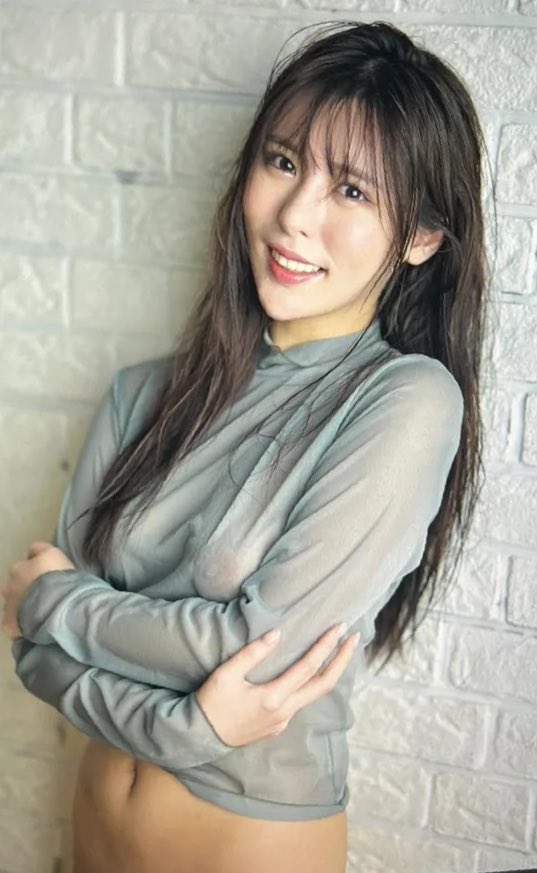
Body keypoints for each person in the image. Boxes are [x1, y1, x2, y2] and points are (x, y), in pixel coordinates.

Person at [1, 19, 488, 873]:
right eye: (284, 162)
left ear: (420, 238)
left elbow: (250, 643)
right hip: (85, 843)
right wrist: (187, 724)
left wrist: (55, 602)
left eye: (352, 191)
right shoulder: (141, 393)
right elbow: (36, 661)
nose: (294, 216)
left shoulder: (405, 401)